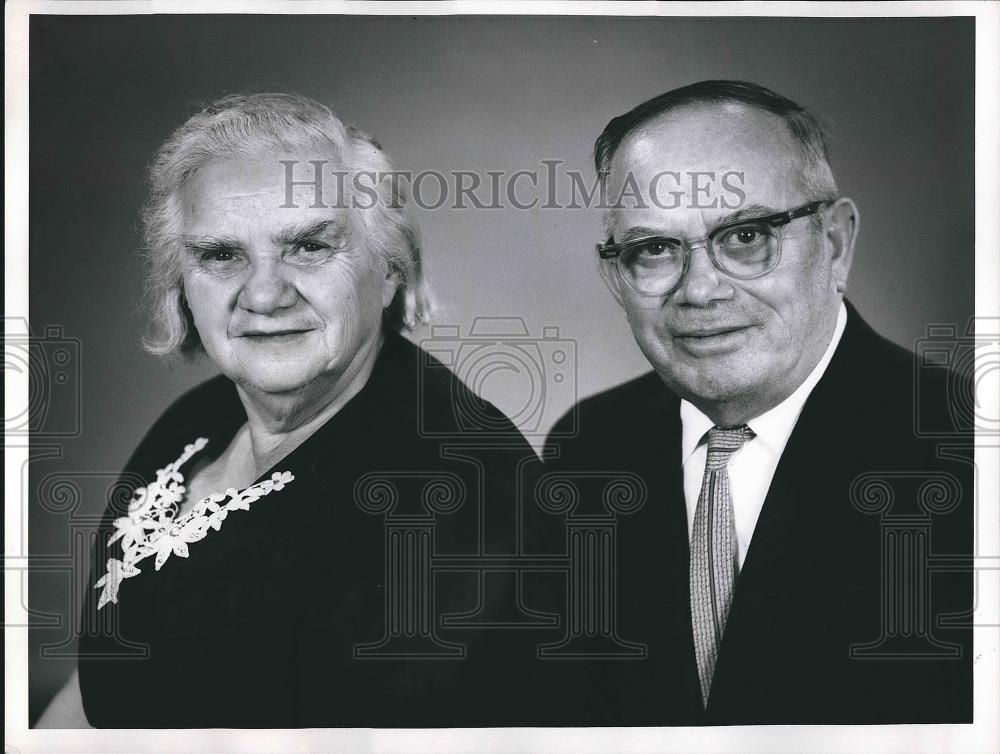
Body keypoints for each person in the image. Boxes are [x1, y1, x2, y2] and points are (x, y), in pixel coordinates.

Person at [37, 93, 547, 727]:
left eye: (307, 246)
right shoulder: (199, 421)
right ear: (182, 282)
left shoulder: (459, 498)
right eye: (221, 255)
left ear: (389, 269)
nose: (264, 293)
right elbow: (105, 682)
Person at [544, 80, 973, 725]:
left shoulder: (969, 450)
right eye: (654, 249)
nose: (702, 290)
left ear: (834, 243)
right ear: (616, 275)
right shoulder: (590, 446)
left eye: (745, 236)